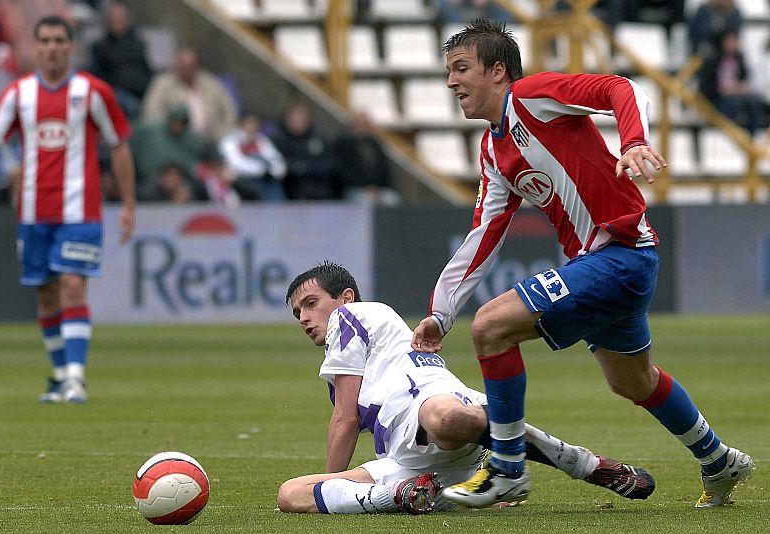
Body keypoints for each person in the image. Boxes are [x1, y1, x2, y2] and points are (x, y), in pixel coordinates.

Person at [409, 18, 754, 509]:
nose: (451, 82)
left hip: (621, 255)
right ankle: (718, 460)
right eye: (449, 71)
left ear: (498, 70)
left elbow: (621, 86)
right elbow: (484, 234)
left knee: (490, 327)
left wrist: (633, 141)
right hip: (610, 264)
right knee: (632, 381)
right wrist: (441, 312)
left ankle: (507, 469)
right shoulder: (492, 148)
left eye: (461, 68)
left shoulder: (532, 96)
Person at [278, 261, 655, 514]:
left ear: (344, 298)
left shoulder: (352, 315)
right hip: (414, 459)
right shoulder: (357, 357)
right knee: (290, 495)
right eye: (298, 313)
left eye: (311, 304)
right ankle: (408, 495)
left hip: (427, 403)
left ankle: (583, 463)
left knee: (445, 420)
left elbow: (344, 420)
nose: (305, 318)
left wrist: (333, 482)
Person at [0, 15, 136, 403]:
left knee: (73, 285)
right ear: (36, 46)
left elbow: (119, 145)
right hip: (32, 213)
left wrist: (128, 203)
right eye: (44, 40)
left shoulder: (93, 92)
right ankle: (61, 376)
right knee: (45, 293)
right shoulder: (18, 93)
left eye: (60, 40)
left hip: (81, 213)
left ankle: (76, 378)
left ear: (71, 46)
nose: (52, 47)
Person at [141, 47, 237, 142]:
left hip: (214, 139)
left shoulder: (210, 82)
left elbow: (229, 111)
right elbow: (151, 115)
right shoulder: (162, 84)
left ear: (197, 67)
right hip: (177, 141)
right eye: (182, 67)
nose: (186, 71)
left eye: (190, 67)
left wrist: (222, 133)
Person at [89, 1, 153, 119]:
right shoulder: (100, 46)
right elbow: (96, 75)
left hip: (141, 93)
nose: (118, 21)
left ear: (128, 20)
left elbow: (147, 71)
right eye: (114, 18)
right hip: (116, 96)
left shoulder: (138, 44)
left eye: (121, 17)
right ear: (107, 21)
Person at [270, 101, 340, 200]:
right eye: (294, 120)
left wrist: (307, 168)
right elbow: (276, 164)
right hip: (288, 188)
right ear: (287, 119)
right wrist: (296, 168)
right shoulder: (278, 139)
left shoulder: (320, 138)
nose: (298, 123)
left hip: (319, 187)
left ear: (308, 120)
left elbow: (330, 163)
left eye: (301, 120)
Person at [129, 104, 207, 194]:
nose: (178, 126)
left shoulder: (192, 140)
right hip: (149, 182)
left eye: (182, 123)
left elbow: (196, 168)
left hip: (180, 185)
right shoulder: (151, 130)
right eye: (176, 121)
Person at [698, 31, 764, 135]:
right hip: (719, 99)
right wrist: (722, 90)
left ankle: (752, 137)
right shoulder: (713, 61)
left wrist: (739, 88)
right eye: (729, 41)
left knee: (754, 102)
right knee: (735, 103)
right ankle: (732, 131)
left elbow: (745, 80)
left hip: (737, 95)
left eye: (734, 41)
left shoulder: (740, 60)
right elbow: (706, 86)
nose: (732, 44)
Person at [333, 111, 401, 207]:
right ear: (352, 125)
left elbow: (385, 170)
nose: (362, 127)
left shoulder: (375, 144)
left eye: (364, 124)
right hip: (354, 189)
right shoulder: (343, 144)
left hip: (378, 189)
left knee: (392, 199)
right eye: (359, 123)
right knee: (365, 201)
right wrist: (365, 187)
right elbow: (342, 172)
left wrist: (377, 188)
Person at [218, 112, 286, 201]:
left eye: (255, 124)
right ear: (241, 124)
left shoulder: (262, 140)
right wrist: (261, 169)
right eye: (249, 123)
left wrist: (274, 170)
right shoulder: (230, 141)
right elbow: (236, 163)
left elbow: (275, 159)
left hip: (263, 178)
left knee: (276, 186)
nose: (252, 126)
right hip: (240, 179)